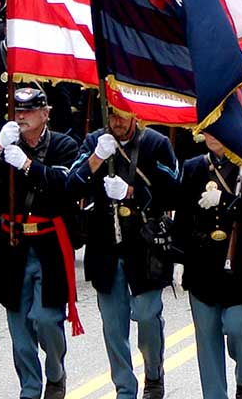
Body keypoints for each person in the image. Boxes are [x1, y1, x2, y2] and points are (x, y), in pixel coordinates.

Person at [65, 111, 179, 399]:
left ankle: (154, 373)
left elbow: (173, 192)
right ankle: (124, 388)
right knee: (114, 327)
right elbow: (71, 186)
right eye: (112, 115)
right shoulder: (95, 141)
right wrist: (97, 158)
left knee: (146, 315)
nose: (116, 122)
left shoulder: (156, 143)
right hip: (106, 245)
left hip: (145, 247)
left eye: (122, 115)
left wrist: (132, 192)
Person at [0, 87, 83, 399]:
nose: (21, 116)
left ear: (45, 113)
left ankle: (55, 373)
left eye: (29, 111)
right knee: (19, 327)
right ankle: (29, 387)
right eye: (17, 111)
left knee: (48, 319)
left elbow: (66, 184)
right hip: (14, 243)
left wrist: (27, 165)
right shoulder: (8, 144)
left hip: (50, 243)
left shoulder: (64, 144)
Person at [174, 132, 242, 399]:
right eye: (209, 130)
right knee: (207, 339)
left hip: (241, 265)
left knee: (237, 327)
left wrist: (226, 202)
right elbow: (182, 216)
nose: (213, 137)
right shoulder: (193, 167)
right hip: (202, 266)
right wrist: (178, 260)